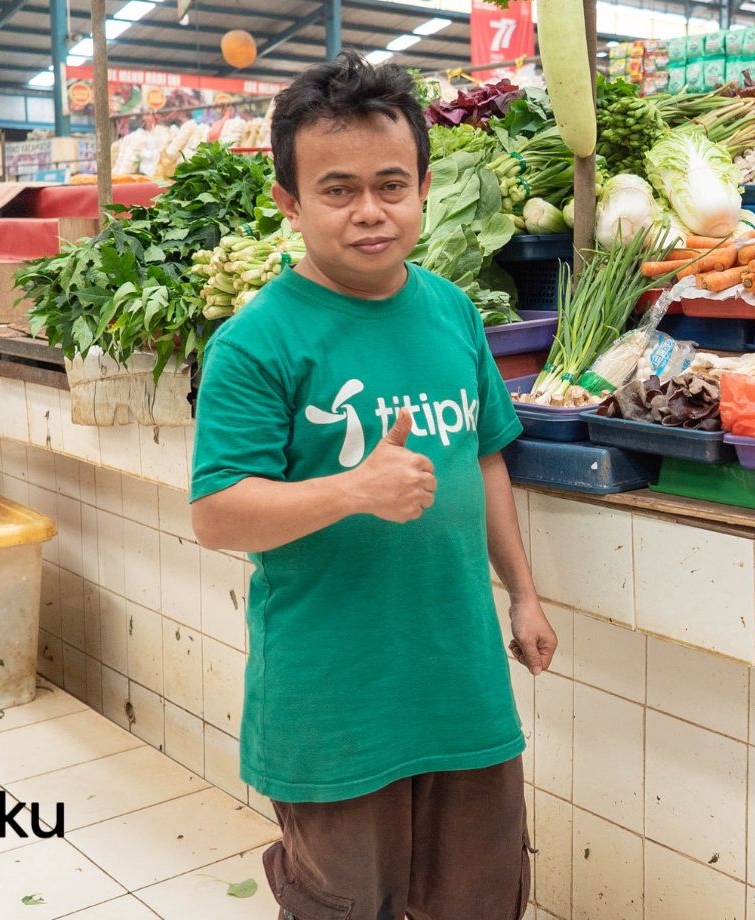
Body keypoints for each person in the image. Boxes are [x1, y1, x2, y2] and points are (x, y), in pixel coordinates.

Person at [188, 52, 556, 920]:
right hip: (334, 702)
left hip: (462, 681)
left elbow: (486, 457)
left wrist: (526, 596)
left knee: (480, 900)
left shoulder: (452, 310)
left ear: (424, 186)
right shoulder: (256, 341)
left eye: (391, 186)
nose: (370, 213)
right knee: (345, 905)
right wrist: (352, 490)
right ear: (289, 201)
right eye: (338, 190)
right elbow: (214, 513)